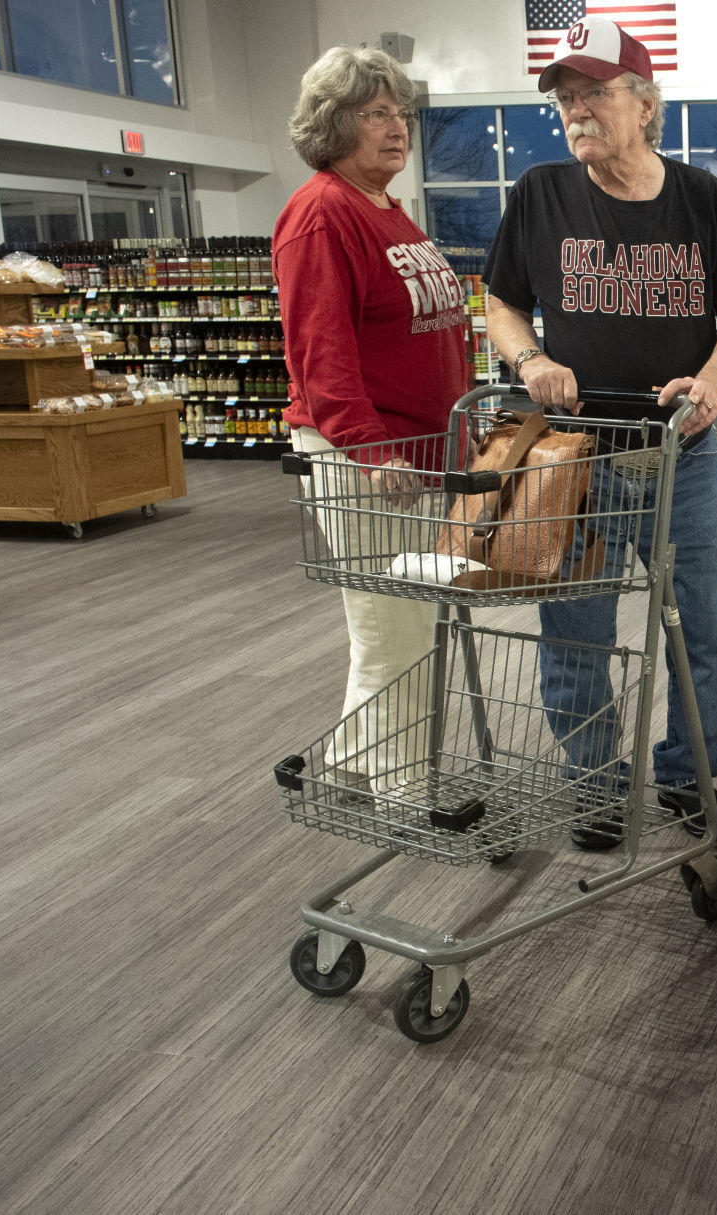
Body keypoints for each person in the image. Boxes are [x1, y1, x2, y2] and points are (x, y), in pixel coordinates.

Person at [484, 16, 717, 847]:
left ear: (644, 104)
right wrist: (529, 357)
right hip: (577, 460)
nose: (576, 110)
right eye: (566, 98)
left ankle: (686, 777)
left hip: (683, 456)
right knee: (576, 634)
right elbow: (501, 302)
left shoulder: (699, 197)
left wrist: (709, 387)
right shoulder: (540, 192)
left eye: (594, 93)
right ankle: (596, 789)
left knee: (701, 634)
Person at [276, 46, 468, 795]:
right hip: (366, 458)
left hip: (417, 452)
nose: (398, 128)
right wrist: (372, 451)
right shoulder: (322, 213)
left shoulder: (386, 208)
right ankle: (402, 787)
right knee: (396, 626)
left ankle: (354, 760)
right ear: (333, 123)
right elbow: (321, 355)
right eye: (376, 113)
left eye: (403, 113)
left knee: (397, 622)